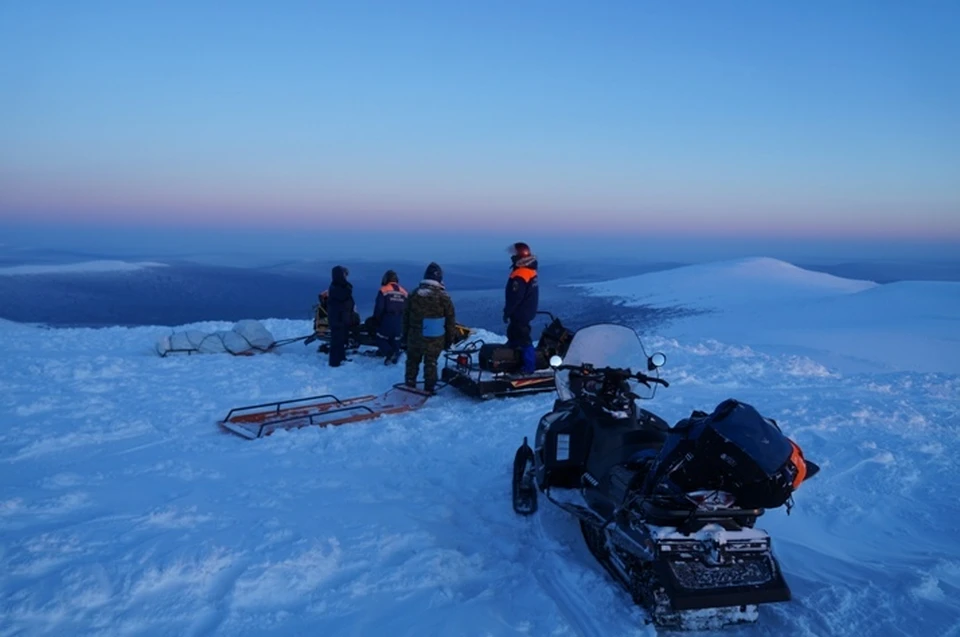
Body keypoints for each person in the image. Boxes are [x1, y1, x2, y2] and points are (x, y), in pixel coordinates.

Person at [402, 262, 457, 394]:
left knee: (412, 360)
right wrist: (450, 340)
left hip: (415, 334)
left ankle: (410, 384)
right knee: (431, 362)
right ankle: (429, 387)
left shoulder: (414, 294)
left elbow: (405, 318)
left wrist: (404, 337)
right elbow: (450, 320)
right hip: (434, 336)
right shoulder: (444, 297)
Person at [503, 241, 539, 373]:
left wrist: (507, 311)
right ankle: (510, 359)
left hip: (520, 312)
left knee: (523, 337)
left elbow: (515, 296)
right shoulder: (529, 270)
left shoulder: (521, 273)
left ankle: (529, 367)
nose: (511, 256)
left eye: (514, 253)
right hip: (525, 310)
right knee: (514, 334)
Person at [372, 269, 408, 365]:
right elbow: (407, 308)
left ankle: (389, 353)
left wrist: (376, 319)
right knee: (396, 338)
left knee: (381, 338)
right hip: (399, 319)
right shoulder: (404, 291)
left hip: (387, 318)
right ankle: (395, 353)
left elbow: (379, 307)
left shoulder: (384, 290)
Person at [326, 265, 355, 367]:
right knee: (336, 340)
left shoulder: (337, 286)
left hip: (342, 318)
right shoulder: (337, 287)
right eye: (344, 274)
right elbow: (344, 295)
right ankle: (334, 362)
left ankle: (341, 358)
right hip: (338, 318)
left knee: (341, 339)